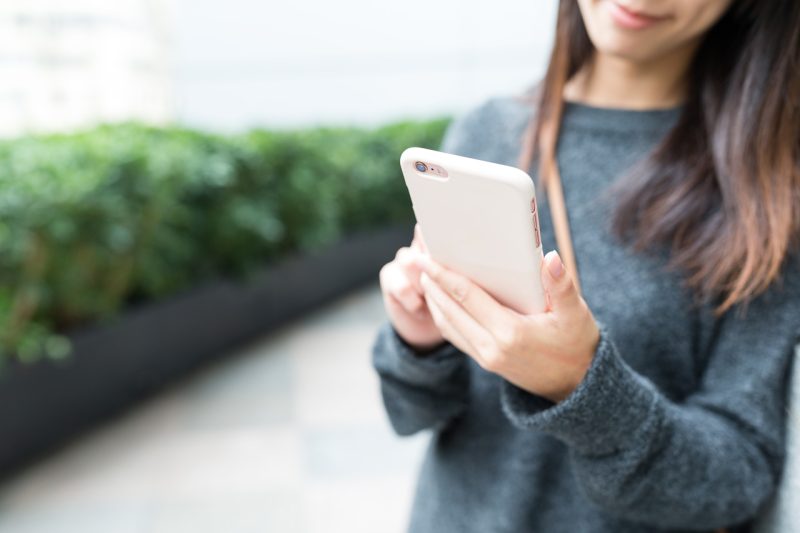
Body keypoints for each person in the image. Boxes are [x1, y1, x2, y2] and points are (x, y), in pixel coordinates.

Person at [371, 1, 800, 532]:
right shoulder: (486, 134)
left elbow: (740, 478)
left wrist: (582, 385)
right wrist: (418, 342)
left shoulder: (767, 196)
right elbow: (410, 415)